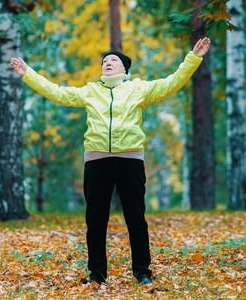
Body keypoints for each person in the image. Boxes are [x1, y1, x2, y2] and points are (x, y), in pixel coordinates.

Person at [11, 37, 211, 286]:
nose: (107, 63)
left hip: (130, 160)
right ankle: (97, 273)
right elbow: (58, 92)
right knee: (95, 219)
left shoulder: (139, 89)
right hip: (96, 161)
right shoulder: (90, 91)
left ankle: (142, 271)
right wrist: (26, 73)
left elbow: (172, 83)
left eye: (113, 60)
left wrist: (194, 58)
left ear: (124, 68)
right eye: (104, 61)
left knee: (135, 218)